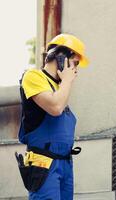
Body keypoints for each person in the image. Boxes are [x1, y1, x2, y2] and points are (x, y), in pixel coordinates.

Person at [16, 33, 89, 199]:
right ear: (61, 57)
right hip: (44, 164)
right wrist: (67, 82)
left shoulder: (58, 87)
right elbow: (55, 107)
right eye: (75, 63)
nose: (75, 70)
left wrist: (64, 84)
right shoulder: (33, 77)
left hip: (64, 164)